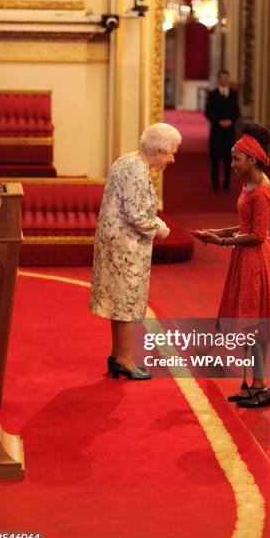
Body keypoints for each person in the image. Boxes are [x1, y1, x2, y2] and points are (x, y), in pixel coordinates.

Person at [192, 123, 270, 407]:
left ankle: (261, 385)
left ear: (252, 159)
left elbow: (256, 235)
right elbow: (246, 226)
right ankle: (255, 383)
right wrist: (219, 233)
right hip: (245, 257)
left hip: (256, 260)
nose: (231, 163)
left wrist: (221, 243)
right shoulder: (249, 184)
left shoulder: (262, 192)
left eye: (236, 159)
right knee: (247, 320)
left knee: (253, 321)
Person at [89, 123, 181, 380]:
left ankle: (118, 356)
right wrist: (162, 230)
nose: (172, 159)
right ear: (159, 150)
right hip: (125, 248)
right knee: (126, 303)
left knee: (119, 302)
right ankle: (126, 360)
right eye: (171, 153)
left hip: (118, 244)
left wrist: (158, 223)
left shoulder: (128, 160)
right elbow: (136, 215)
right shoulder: (137, 170)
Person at [205, 69, 240, 192]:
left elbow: (237, 112)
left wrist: (231, 121)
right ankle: (215, 184)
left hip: (229, 132)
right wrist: (218, 121)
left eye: (226, 78)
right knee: (215, 159)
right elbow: (208, 112)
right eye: (222, 78)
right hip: (216, 131)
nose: (224, 80)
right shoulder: (213, 94)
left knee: (228, 159)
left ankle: (226, 184)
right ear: (219, 79)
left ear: (228, 79)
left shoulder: (234, 94)